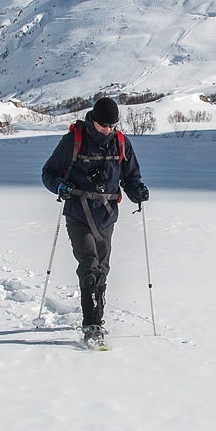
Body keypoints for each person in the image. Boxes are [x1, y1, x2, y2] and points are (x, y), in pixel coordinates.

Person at [41, 97, 149, 347]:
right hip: (78, 213)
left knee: (102, 268)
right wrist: (60, 187)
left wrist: (138, 192)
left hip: (107, 215)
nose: (108, 130)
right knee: (89, 265)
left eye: (113, 125)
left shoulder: (121, 143)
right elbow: (48, 173)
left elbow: (131, 177)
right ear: (93, 120)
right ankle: (92, 324)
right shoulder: (74, 140)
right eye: (103, 125)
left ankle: (97, 315)